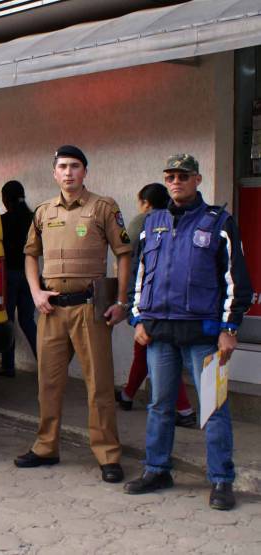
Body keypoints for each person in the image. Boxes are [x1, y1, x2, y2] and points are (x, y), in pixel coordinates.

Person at [124, 155, 252, 511]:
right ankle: (157, 470)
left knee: (213, 408)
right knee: (159, 406)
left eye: (183, 176)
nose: (176, 182)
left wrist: (229, 328)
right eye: (170, 176)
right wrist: (137, 320)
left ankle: (221, 480)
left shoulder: (219, 223)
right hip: (159, 333)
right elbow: (138, 274)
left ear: (197, 179)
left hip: (205, 334)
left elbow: (236, 280)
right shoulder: (153, 222)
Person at [15, 145, 131, 484]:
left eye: (75, 166)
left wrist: (122, 301)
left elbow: (123, 254)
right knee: (48, 384)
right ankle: (46, 447)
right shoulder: (42, 212)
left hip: (89, 309)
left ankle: (107, 454)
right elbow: (30, 255)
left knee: (99, 387)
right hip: (51, 311)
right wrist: (35, 291)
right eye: (63, 166)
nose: (68, 172)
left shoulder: (103, 208)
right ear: (54, 173)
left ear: (85, 171)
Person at [115, 183, 196, 428]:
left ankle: (183, 410)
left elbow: (127, 260)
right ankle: (129, 395)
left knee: (157, 353)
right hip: (175, 302)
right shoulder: (180, 220)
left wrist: (127, 299)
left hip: (149, 302)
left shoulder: (142, 222)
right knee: (149, 351)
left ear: (146, 203)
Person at [0, 180, 38, 378]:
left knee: (8, 320)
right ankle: (46, 365)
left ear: (5, 198)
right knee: (28, 321)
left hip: (9, 275)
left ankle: (7, 366)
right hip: (30, 275)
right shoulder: (33, 218)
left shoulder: (2, 221)